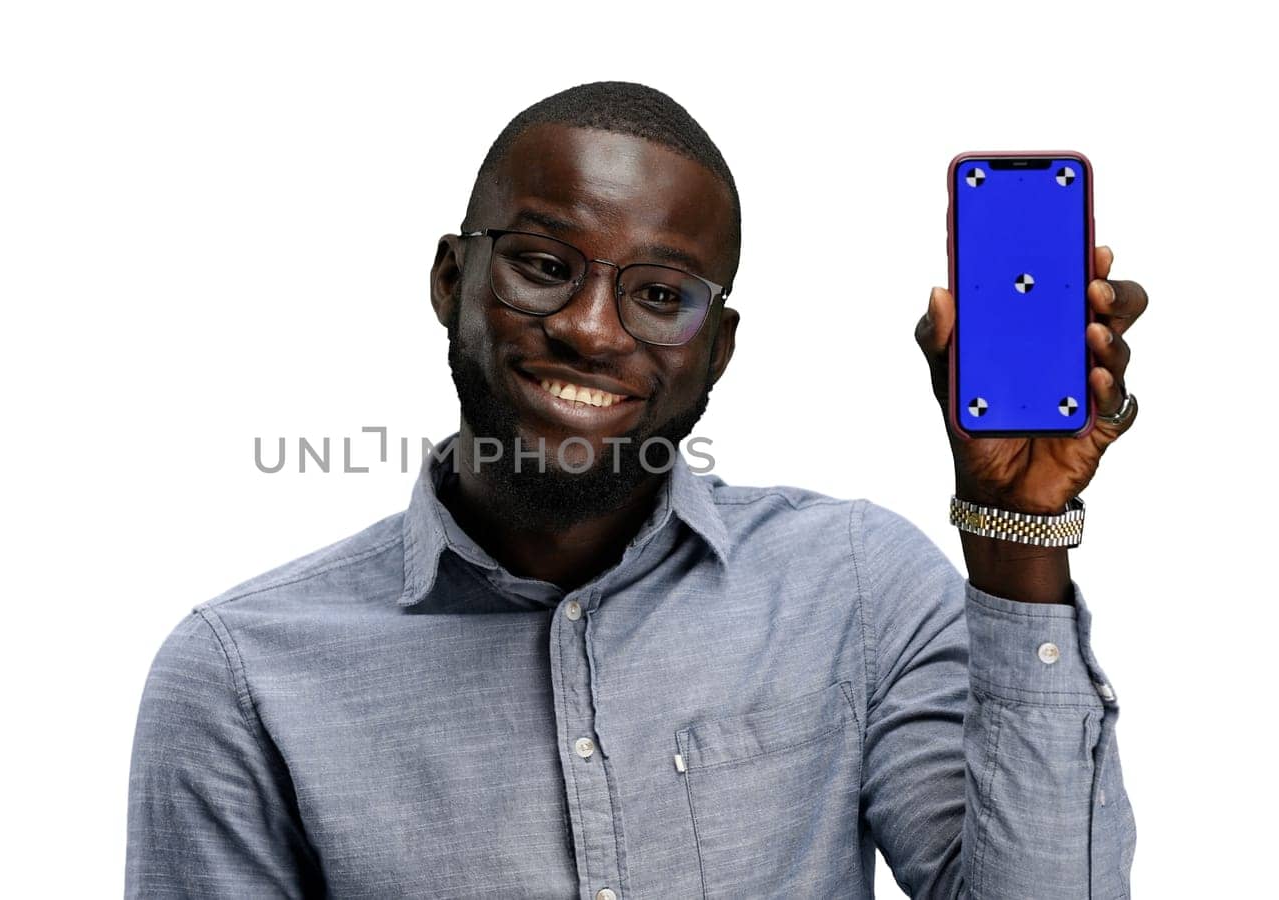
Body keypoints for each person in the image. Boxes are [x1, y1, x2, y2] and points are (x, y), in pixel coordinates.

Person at [125, 81, 1142, 899]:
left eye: (661, 294)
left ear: (718, 349)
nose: (594, 330)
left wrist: (1023, 536)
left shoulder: (855, 588)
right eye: (542, 264)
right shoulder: (241, 679)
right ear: (450, 280)